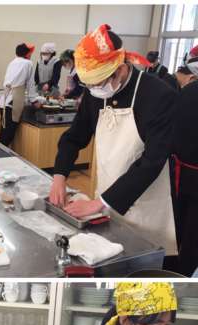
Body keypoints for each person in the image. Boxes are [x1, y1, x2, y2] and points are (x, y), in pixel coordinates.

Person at [49, 24, 178, 258]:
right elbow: (74, 137)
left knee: (141, 260)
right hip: (105, 195)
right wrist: (59, 175)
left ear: (120, 69)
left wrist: (101, 202)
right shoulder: (95, 94)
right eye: (88, 85)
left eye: (97, 83)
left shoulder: (158, 95)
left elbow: (152, 161)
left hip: (144, 203)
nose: (93, 90)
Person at [172, 75, 198, 276]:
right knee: (197, 238)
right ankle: (187, 273)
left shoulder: (190, 89)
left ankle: (171, 269)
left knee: (177, 228)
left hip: (181, 173)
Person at [0, 43, 43, 147]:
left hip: (4, 100)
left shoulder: (12, 62)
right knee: (8, 135)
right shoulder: (28, 63)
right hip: (13, 102)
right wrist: (34, 100)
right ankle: (1, 154)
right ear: (27, 54)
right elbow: (30, 84)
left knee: (4, 132)